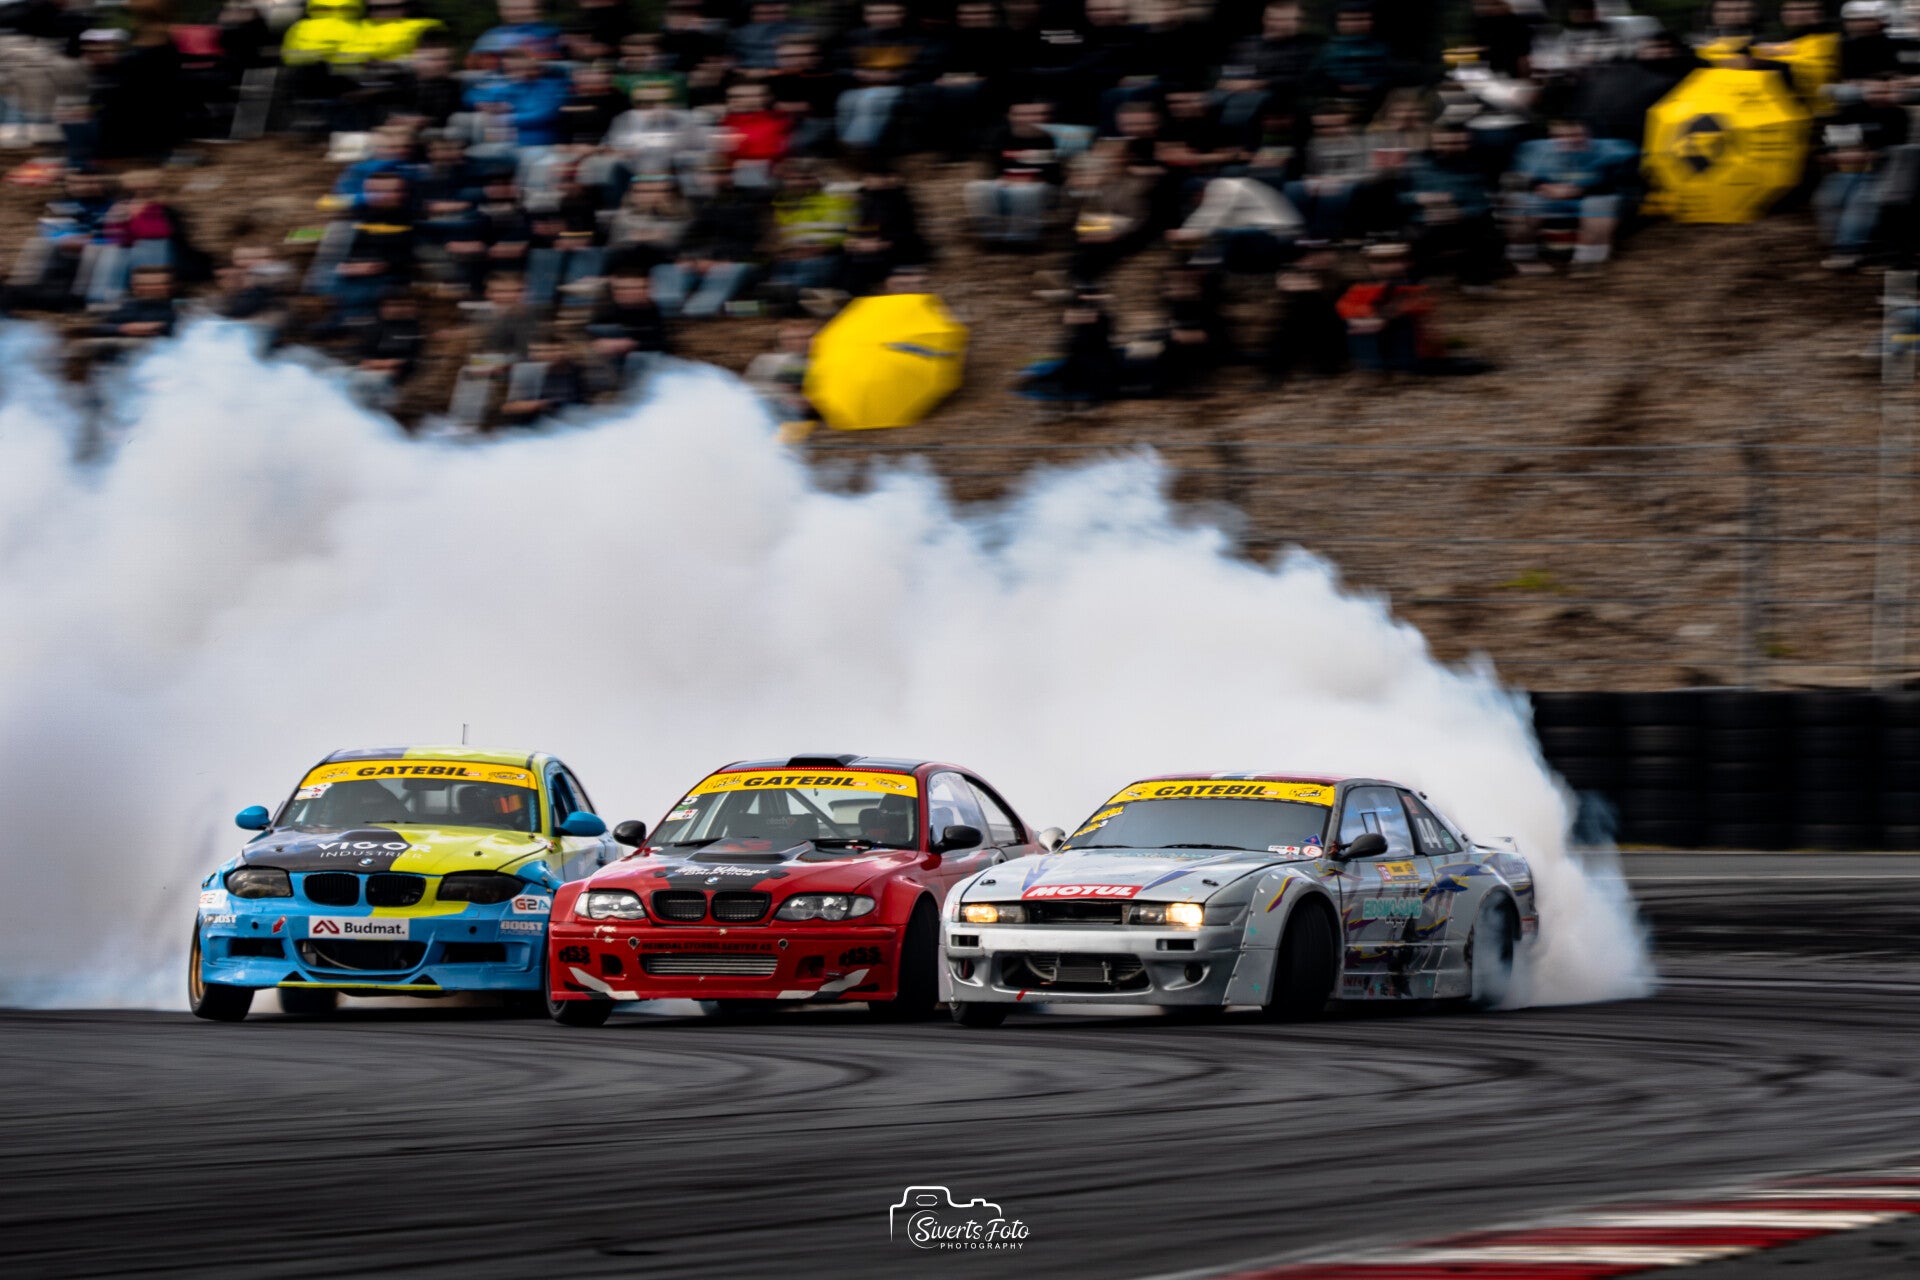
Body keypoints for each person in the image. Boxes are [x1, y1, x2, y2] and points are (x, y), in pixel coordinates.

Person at [1507, 118, 1637, 274]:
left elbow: (1625, 182)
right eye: (1560, 136)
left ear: (1588, 134)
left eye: (1576, 135)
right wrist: (1541, 187)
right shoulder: (1534, 150)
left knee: (1601, 205)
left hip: (1592, 196)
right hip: (1548, 197)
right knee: (1521, 205)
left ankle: (1589, 260)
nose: (1569, 140)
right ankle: (1523, 257)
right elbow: (1517, 179)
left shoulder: (1612, 149)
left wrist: (1579, 190)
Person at [1816, 73, 1908, 269]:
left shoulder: (1898, 115)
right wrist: (1850, 154)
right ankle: (1838, 243)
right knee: (1827, 199)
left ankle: (1848, 250)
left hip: (1888, 171)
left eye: (1884, 92)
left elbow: (1882, 151)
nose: (1878, 96)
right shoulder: (1855, 110)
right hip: (1852, 169)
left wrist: (1854, 153)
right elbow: (1829, 147)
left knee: (1861, 201)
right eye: (1873, 91)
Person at [964, 99, 1063, 247]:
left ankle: (1022, 238)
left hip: (1042, 191)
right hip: (1009, 186)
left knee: (1025, 191)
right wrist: (1005, 180)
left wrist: (1028, 179)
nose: (1029, 119)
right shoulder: (1001, 137)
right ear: (1011, 117)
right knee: (976, 187)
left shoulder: (1053, 139)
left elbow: (1055, 176)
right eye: (1022, 115)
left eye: (1036, 114)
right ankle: (990, 235)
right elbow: (995, 171)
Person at [587, 269, 672, 389]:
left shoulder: (660, 311)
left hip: (652, 370)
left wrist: (631, 345)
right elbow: (589, 342)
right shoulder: (604, 312)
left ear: (649, 289)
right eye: (622, 289)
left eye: (638, 288)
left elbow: (664, 346)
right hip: (614, 372)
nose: (629, 292)